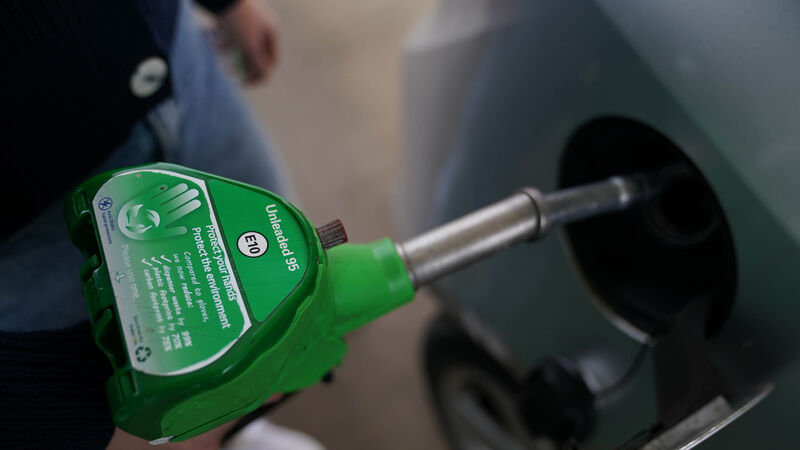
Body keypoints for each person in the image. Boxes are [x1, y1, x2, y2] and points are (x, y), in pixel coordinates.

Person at [0, 0, 318, 448]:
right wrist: (75, 421)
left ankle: (244, 426)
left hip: (178, 64)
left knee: (277, 282)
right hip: (29, 224)